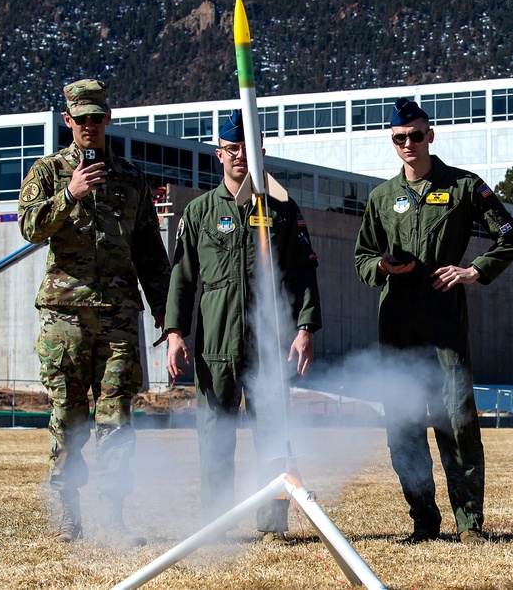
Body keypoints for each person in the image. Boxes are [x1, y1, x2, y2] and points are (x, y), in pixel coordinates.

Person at [353, 98, 513, 545]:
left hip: (445, 325)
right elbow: (362, 258)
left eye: (415, 135)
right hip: (397, 328)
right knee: (404, 426)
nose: (408, 144)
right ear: (392, 143)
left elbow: (509, 236)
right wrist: (383, 268)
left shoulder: (465, 187)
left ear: (430, 134)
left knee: (457, 422)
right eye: (399, 138)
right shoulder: (381, 198)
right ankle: (424, 522)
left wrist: (474, 270)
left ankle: (469, 525)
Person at [18, 78, 171, 546]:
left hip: (120, 317)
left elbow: (149, 249)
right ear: (67, 121)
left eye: (96, 117)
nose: (88, 125)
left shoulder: (131, 178)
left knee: (117, 420)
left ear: (108, 118)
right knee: (69, 415)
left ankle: (115, 521)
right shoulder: (47, 172)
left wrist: (167, 309)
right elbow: (28, 226)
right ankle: (68, 516)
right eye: (80, 118)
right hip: (65, 318)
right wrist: (71, 194)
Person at [164, 109, 322, 543]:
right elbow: (181, 278)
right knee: (215, 439)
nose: (240, 157)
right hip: (215, 345)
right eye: (232, 150)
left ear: (260, 153)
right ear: (219, 154)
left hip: (267, 343)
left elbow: (303, 270)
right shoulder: (198, 213)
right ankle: (218, 524)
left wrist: (305, 326)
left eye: (247, 150)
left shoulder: (280, 210)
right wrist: (176, 334)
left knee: (273, 435)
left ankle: (273, 527)